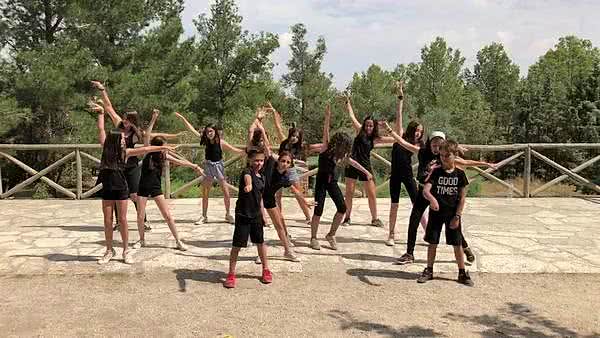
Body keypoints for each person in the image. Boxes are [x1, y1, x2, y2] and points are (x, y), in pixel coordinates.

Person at [90, 101, 174, 265]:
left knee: (122, 219)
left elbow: (146, 149)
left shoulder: (126, 152)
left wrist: (164, 148)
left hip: (121, 186)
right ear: (114, 140)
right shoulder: (106, 149)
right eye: (121, 138)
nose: (124, 140)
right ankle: (109, 250)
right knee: (107, 220)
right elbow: (101, 130)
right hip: (108, 186)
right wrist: (101, 114)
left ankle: (125, 250)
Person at [395, 131, 496, 265]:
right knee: (414, 220)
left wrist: (485, 164)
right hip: (423, 191)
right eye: (434, 144)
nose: (436, 148)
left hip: (438, 194)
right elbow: (403, 143)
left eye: (439, 145)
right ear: (429, 143)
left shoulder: (445, 157)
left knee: (452, 223)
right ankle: (409, 253)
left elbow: (465, 162)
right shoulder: (422, 152)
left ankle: (465, 247)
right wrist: (390, 131)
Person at [133, 109, 204, 251]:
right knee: (140, 216)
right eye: (164, 146)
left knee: (167, 215)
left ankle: (178, 241)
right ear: (158, 147)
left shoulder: (163, 156)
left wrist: (194, 166)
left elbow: (180, 162)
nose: (166, 149)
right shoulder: (148, 152)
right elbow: (147, 135)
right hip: (143, 187)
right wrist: (153, 118)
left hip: (155, 188)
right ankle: (141, 240)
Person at [309, 103, 373, 250]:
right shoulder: (326, 148)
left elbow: (354, 163)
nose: (346, 149)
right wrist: (327, 116)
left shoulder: (342, 154)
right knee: (318, 210)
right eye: (345, 146)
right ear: (339, 143)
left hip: (332, 183)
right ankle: (313, 237)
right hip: (321, 182)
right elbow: (325, 131)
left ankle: (331, 234)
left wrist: (367, 172)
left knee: (342, 208)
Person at [91, 81, 149, 231]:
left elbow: (149, 140)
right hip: (118, 166)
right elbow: (109, 107)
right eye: (124, 118)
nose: (124, 121)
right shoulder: (119, 125)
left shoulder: (137, 134)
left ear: (133, 121)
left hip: (131, 166)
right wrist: (102, 90)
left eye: (127, 119)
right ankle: (118, 221)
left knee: (135, 194)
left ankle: (143, 219)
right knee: (118, 194)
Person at [417, 140, 473, 286]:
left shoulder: (460, 174)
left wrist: (458, 216)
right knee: (432, 242)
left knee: (457, 244)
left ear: (455, 155)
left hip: (452, 214)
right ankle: (429, 270)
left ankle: (462, 272)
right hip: (436, 214)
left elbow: (462, 198)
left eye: (447, 156)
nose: (444, 158)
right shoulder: (436, 172)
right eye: (441, 155)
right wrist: (432, 200)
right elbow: (426, 190)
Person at [174, 112, 244, 224]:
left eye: (211, 131)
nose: (209, 133)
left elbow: (235, 151)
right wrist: (182, 118)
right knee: (205, 192)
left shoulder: (221, 142)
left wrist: (248, 151)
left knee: (226, 192)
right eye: (207, 132)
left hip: (219, 166)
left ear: (215, 131)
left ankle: (228, 214)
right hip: (208, 166)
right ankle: (204, 216)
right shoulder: (205, 140)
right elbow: (191, 129)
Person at [341, 93, 395, 227]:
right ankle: (347, 217)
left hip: (366, 166)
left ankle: (375, 218)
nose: (369, 128)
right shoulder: (359, 131)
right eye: (367, 125)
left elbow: (395, 138)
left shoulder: (376, 138)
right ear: (364, 125)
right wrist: (348, 102)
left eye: (371, 126)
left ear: (374, 126)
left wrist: (387, 127)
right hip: (352, 164)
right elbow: (352, 117)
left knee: (372, 194)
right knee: (349, 193)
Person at [385, 81, 427, 246]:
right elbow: (399, 116)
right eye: (416, 130)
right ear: (411, 130)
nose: (418, 133)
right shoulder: (400, 135)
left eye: (420, 131)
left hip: (408, 175)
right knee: (394, 204)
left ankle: (427, 232)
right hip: (395, 175)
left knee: (417, 204)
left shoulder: (419, 145)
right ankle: (391, 234)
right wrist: (400, 97)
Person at [224, 147, 272, 288]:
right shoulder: (247, 172)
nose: (259, 163)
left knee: (260, 242)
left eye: (261, 160)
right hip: (243, 214)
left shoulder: (262, 177)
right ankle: (231, 274)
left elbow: (261, 198)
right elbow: (248, 179)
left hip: (256, 215)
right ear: (250, 160)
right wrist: (249, 185)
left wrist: (264, 215)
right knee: (237, 245)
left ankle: (266, 269)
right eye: (256, 160)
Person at [268, 102, 320, 222]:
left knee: (299, 194)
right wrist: (273, 111)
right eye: (292, 135)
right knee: (278, 195)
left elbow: (317, 146)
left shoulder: (300, 147)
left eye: (296, 136)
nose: (293, 138)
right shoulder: (284, 142)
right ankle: (279, 216)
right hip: (278, 170)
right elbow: (277, 126)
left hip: (291, 171)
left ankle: (308, 217)